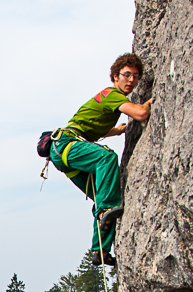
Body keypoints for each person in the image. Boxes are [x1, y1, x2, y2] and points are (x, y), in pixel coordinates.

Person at [50, 53, 152, 267]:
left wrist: (117, 131)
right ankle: (106, 210)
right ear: (115, 76)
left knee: (104, 192)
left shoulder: (108, 98)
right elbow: (140, 113)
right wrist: (156, 99)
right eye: (126, 75)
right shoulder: (112, 94)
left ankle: (100, 251)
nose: (131, 80)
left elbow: (95, 124)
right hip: (68, 145)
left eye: (136, 76)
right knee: (107, 158)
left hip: (64, 153)